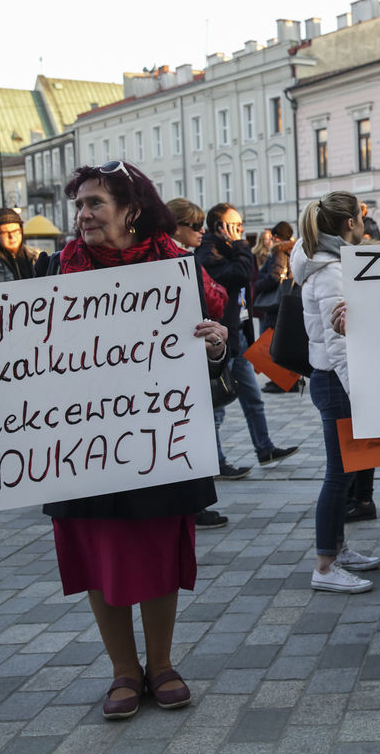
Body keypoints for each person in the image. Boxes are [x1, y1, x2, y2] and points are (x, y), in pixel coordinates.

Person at [0, 161, 229, 718]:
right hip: (81, 442)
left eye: (94, 204)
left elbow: (213, 332)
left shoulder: (178, 269)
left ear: (131, 210)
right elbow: (16, 347)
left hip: (155, 434)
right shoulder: (60, 270)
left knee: (159, 547)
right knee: (97, 549)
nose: (82, 215)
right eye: (79, 205)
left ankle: (160, 664)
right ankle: (122, 671)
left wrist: (215, 343)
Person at [289, 191, 380, 594]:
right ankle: (325, 565)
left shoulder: (324, 262)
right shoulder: (329, 271)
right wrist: (357, 390)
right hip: (336, 381)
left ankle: (338, 549)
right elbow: (338, 341)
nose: (364, 225)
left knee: (343, 474)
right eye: (362, 218)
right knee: (337, 474)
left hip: (330, 379)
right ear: (350, 224)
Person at [196, 203, 298, 479]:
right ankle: (216, 462)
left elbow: (247, 278)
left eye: (241, 226)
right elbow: (242, 274)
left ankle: (264, 448)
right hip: (221, 338)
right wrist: (241, 243)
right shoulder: (208, 251)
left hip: (238, 333)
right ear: (220, 227)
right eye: (236, 225)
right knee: (217, 406)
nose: (240, 231)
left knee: (253, 397)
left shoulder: (227, 250)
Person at [167, 198, 232, 532]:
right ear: (176, 226)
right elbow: (216, 296)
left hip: (198, 348)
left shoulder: (186, 256)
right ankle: (196, 504)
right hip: (184, 354)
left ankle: (197, 501)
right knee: (196, 428)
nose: (201, 231)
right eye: (194, 226)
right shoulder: (178, 258)